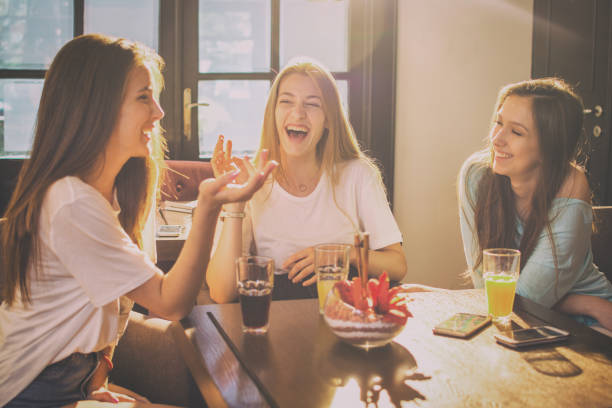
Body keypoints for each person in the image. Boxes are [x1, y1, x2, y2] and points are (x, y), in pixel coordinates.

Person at [0, 34, 276, 407]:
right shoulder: (72, 204)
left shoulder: (107, 195)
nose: (160, 113)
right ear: (96, 107)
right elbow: (171, 301)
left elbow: (111, 308)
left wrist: (96, 374)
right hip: (30, 393)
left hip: (69, 382)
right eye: (144, 97)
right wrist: (209, 204)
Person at [206, 58, 407, 303]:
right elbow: (221, 293)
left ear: (329, 120)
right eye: (286, 102)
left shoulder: (358, 174)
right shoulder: (251, 180)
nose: (298, 113)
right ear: (273, 114)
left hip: (342, 313)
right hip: (277, 317)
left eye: (312, 105)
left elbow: (397, 265)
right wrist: (235, 205)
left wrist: (345, 254)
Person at [459, 77, 612, 330]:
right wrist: (584, 302)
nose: (497, 139)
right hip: (525, 320)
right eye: (498, 122)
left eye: (516, 131)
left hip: (594, 325)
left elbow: (525, 298)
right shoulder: (476, 175)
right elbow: (486, 290)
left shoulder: (572, 184)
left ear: (550, 147)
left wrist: (591, 307)